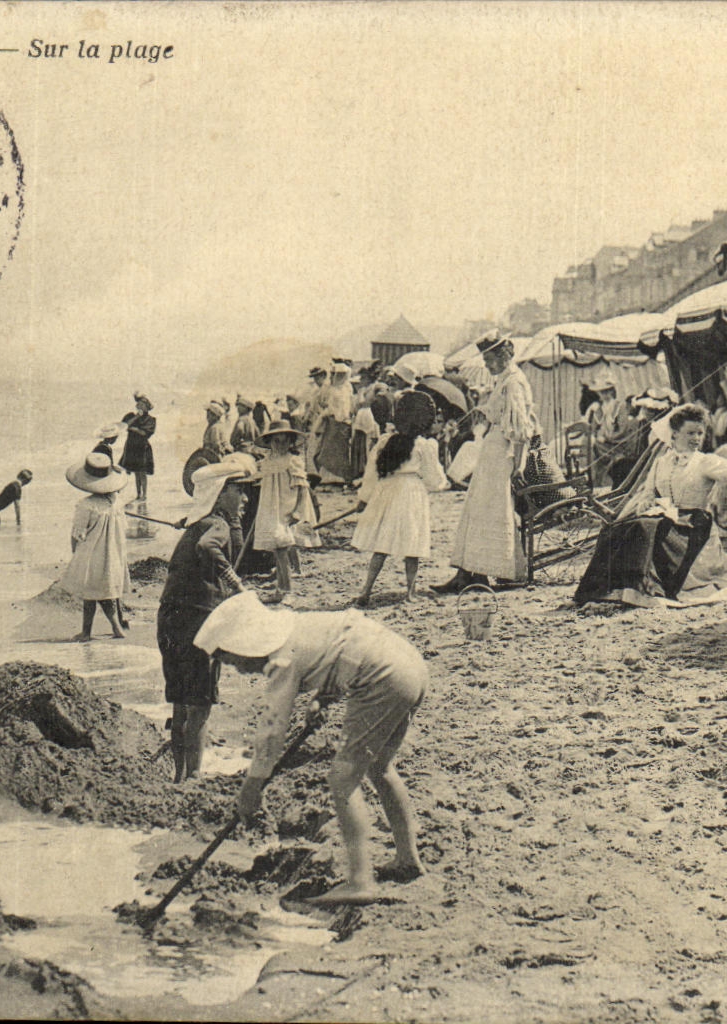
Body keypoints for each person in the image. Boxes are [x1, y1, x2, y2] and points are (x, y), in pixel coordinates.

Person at [196, 590, 427, 905]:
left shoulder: (281, 657)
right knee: (379, 767)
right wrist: (324, 698)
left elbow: (272, 730)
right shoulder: (296, 626)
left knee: (343, 779)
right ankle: (407, 859)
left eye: (230, 659)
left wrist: (252, 786)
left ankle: (360, 882)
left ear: (244, 642)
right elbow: (341, 651)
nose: (237, 668)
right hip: (408, 664)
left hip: (382, 678)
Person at [575, 404, 727, 608]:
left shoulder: (705, 462)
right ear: (674, 434)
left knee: (646, 529)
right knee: (620, 529)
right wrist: (645, 504)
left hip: (694, 527)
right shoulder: (661, 462)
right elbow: (648, 491)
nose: (696, 438)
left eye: (700, 433)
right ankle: (611, 589)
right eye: (690, 433)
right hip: (665, 520)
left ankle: (648, 588)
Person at [158, 456, 256, 782]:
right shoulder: (216, 527)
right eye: (238, 491)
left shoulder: (201, 522)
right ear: (220, 492)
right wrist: (235, 582)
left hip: (170, 618)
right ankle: (195, 776)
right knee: (199, 706)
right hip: (199, 622)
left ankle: (179, 775)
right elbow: (210, 548)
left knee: (181, 705)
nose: (245, 499)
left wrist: (231, 520)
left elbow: (228, 546)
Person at [435, 333, 539, 591]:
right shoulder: (503, 381)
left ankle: (482, 573)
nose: (487, 365)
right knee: (477, 510)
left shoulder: (513, 382)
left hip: (503, 455)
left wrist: (519, 464)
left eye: (490, 359)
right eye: (485, 359)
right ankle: (467, 573)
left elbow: (521, 429)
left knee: (490, 513)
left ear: (505, 356)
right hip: (492, 452)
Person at [353, 391, 449, 606]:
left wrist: (364, 498)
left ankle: (366, 590)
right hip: (411, 493)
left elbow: (371, 473)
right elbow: (434, 479)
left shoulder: (385, 441)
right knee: (412, 544)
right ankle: (410, 592)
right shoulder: (424, 445)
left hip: (387, 491)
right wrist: (441, 484)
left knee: (382, 545)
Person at [59, 452, 130, 641]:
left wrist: (75, 552)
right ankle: (115, 628)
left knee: (90, 594)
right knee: (107, 592)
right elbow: (123, 529)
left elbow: (77, 534)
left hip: (92, 554)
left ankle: (87, 632)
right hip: (113, 553)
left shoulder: (86, 505)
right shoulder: (117, 503)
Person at [251, 422, 315, 602]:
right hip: (271, 507)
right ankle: (282, 584)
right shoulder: (267, 462)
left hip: (287, 507)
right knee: (278, 546)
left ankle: (286, 591)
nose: (280, 445)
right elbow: (256, 475)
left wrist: (297, 511)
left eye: (284, 441)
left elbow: (303, 488)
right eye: (276, 441)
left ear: (290, 443)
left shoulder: (292, 461)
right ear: (270, 442)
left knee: (282, 549)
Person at [120, 393, 156, 504]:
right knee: (136, 472)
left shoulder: (151, 419)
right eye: (139, 404)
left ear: (147, 406)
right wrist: (136, 417)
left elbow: (145, 433)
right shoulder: (131, 416)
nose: (140, 406)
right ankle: (138, 494)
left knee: (142, 472)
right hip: (132, 447)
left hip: (142, 447)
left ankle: (144, 495)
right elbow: (124, 426)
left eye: (142, 405)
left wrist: (134, 429)